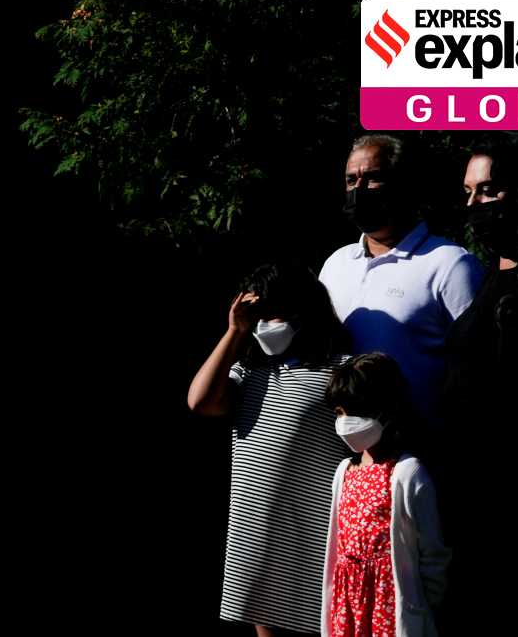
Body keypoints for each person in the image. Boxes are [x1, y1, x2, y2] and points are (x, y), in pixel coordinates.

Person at [188, 261, 351, 636]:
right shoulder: (248, 371)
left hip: (315, 535)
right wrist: (234, 331)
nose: (267, 323)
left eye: (275, 311)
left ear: (303, 310)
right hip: (256, 532)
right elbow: (200, 401)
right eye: (260, 313)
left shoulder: (342, 370)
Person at [318, 135, 484, 435]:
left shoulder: (450, 264)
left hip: (422, 453)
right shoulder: (335, 265)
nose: (359, 189)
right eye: (351, 180)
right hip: (345, 458)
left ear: (404, 185)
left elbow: (478, 366)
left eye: (372, 179)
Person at [321, 353, 449, 637]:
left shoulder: (407, 472)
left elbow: (433, 554)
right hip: (347, 608)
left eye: (353, 412)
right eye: (339, 413)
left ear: (386, 410)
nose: (345, 422)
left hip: (391, 608)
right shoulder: (344, 471)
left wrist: (422, 608)